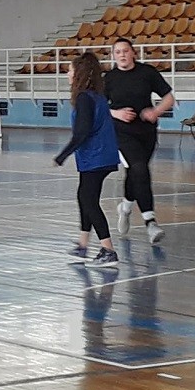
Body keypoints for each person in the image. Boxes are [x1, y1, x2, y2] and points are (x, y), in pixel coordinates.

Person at [103, 38, 177, 244]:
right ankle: (150, 222)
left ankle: (125, 206)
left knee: (136, 172)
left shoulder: (147, 72)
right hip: (121, 132)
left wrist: (156, 111)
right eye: (117, 52)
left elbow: (169, 97)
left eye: (125, 51)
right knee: (140, 169)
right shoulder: (109, 78)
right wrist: (116, 114)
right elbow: (98, 106)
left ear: (133, 53)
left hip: (146, 131)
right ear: (113, 56)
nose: (122, 55)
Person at [54, 52, 120, 269]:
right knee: (84, 197)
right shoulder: (95, 96)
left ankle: (108, 249)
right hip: (96, 155)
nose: (68, 73)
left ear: (79, 73)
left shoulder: (85, 99)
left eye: (70, 70)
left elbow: (81, 133)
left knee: (89, 200)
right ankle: (83, 244)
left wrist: (62, 156)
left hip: (96, 156)